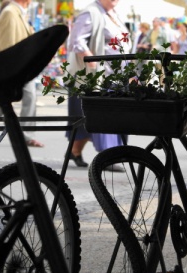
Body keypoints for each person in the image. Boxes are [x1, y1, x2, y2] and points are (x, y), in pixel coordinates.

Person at [66, 0, 129, 170]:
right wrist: (91, 61)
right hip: (98, 76)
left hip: (115, 75)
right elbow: (76, 40)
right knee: (104, 116)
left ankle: (75, 150)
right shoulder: (90, 12)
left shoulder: (112, 14)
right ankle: (109, 156)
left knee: (90, 118)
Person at [0, 0, 44, 147]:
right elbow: (9, 44)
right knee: (19, 97)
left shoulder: (17, 12)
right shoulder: (10, 13)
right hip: (15, 66)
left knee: (17, 97)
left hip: (21, 65)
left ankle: (24, 134)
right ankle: (24, 135)